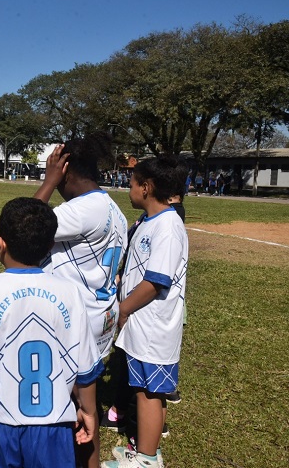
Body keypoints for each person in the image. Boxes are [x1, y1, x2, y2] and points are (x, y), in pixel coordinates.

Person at [0, 197, 103, 468]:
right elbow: (85, 367)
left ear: (1, 244)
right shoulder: (71, 293)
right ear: (50, 246)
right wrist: (89, 411)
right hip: (54, 423)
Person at [33, 132, 128, 468]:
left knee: (72, 410)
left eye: (55, 170)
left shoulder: (82, 210)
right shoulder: (112, 208)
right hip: (99, 315)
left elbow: (24, 226)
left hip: (76, 322)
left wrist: (48, 181)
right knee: (86, 405)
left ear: (66, 170)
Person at [100, 156, 189, 468]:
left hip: (153, 325)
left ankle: (147, 460)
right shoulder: (149, 221)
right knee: (144, 388)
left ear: (146, 188)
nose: (129, 189)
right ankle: (148, 450)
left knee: (150, 393)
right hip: (142, 323)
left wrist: (123, 309)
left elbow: (155, 282)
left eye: (132, 184)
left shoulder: (168, 226)